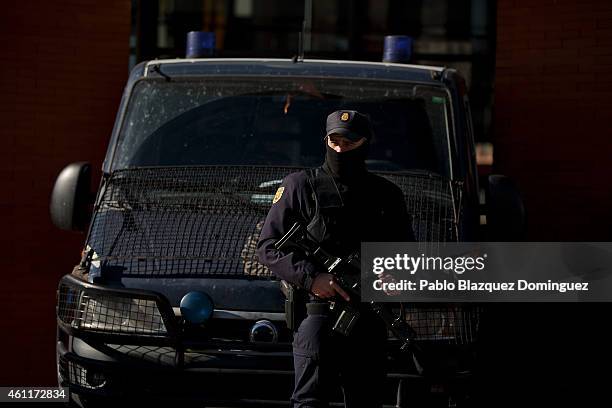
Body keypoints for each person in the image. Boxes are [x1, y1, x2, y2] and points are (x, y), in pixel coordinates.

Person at [256, 110, 415, 407]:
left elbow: (405, 253)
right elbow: (268, 246)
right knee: (310, 402)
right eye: (335, 140)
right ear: (326, 140)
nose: (340, 148)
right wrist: (312, 278)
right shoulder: (300, 186)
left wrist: (394, 276)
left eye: (349, 142)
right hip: (319, 316)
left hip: (369, 317)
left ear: (365, 144)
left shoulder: (387, 195)